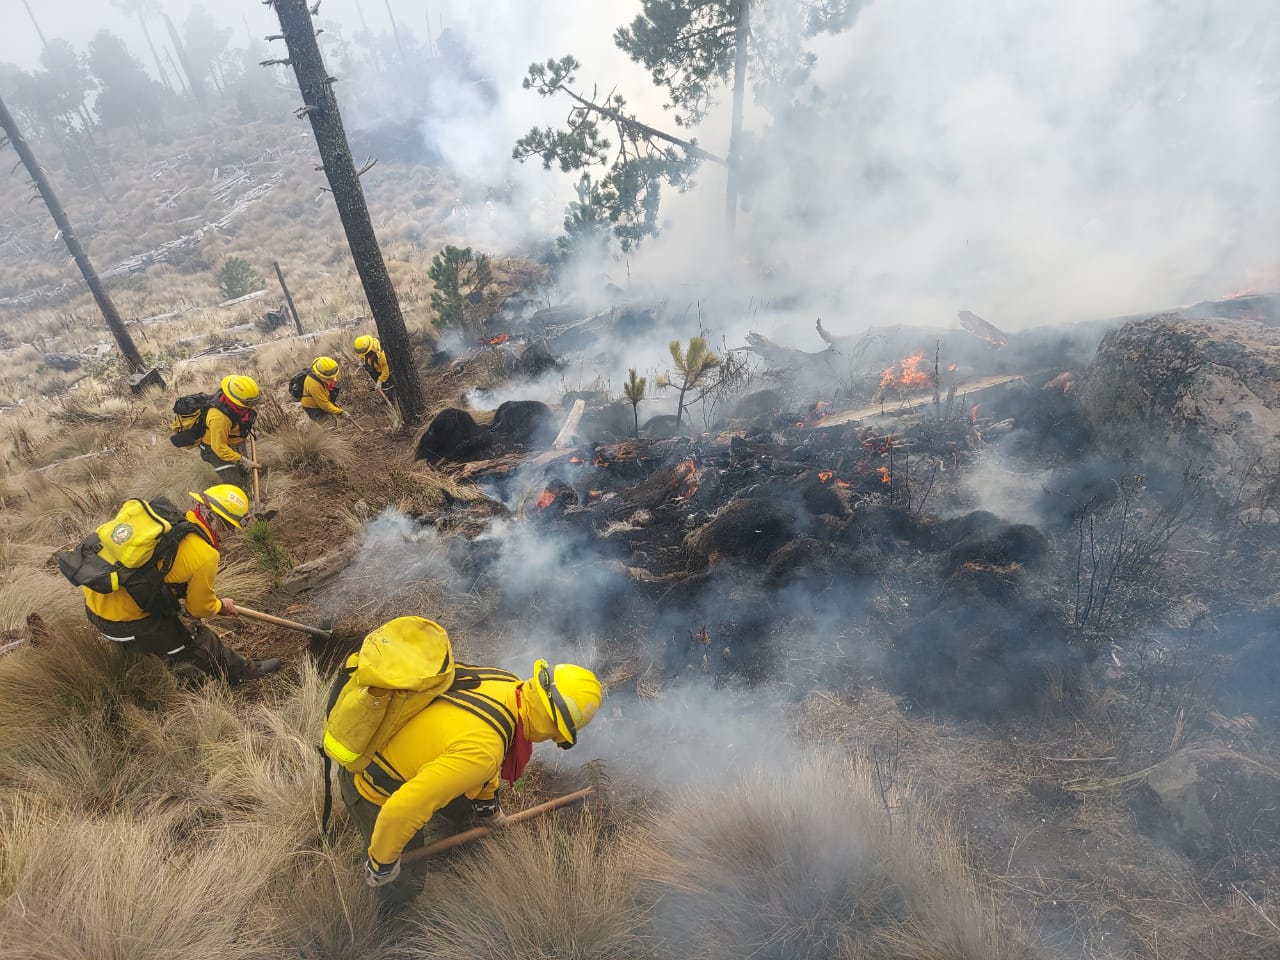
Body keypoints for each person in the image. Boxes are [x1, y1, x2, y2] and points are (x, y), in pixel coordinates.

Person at [335, 626, 603, 903]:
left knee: (463, 807)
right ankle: (386, 916)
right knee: (405, 884)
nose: (554, 740)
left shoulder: (509, 684)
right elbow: (400, 811)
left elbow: (480, 754)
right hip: (371, 784)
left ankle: (461, 824)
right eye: (559, 736)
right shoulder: (482, 753)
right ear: (554, 728)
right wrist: (381, 865)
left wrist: (488, 810)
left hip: (396, 746)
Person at [80, 484, 280, 683]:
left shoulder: (167, 523)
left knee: (165, 625)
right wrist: (220, 606)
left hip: (94, 606)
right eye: (230, 526)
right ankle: (243, 675)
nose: (232, 532)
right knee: (198, 640)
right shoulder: (205, 555)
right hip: (122, 623)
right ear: (219, 522)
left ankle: (147, 658)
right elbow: (199, 609)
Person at [199, 374, 263, 481]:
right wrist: (242, 460)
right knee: (235, 483)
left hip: (233, 440)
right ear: (236, 401)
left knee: (244, 474)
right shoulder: (219, 419)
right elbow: (219, 448)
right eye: (249, 403)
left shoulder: (236, 403)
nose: (252, 406)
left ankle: (245, 479)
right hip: (214, 450)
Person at [300, 356, 347, 423]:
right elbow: (324, 405)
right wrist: (340, 412)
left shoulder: (321, 372)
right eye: (330, 377)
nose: (334, 379)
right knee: (329, 424)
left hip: (321, 400)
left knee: (332, 417)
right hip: (313, 408)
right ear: (321, 374)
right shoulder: (314, 386)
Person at [354, 335, 394, 400]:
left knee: (388, 387)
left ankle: (390, 398)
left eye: (367, 354)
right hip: (375, 370)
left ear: (371, 350)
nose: (365, 355)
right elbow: (361, 355)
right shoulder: (364, 349)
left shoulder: (382, 356)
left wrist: (380, 381)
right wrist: (361, 361)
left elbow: (386, 370)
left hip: (385, 373)